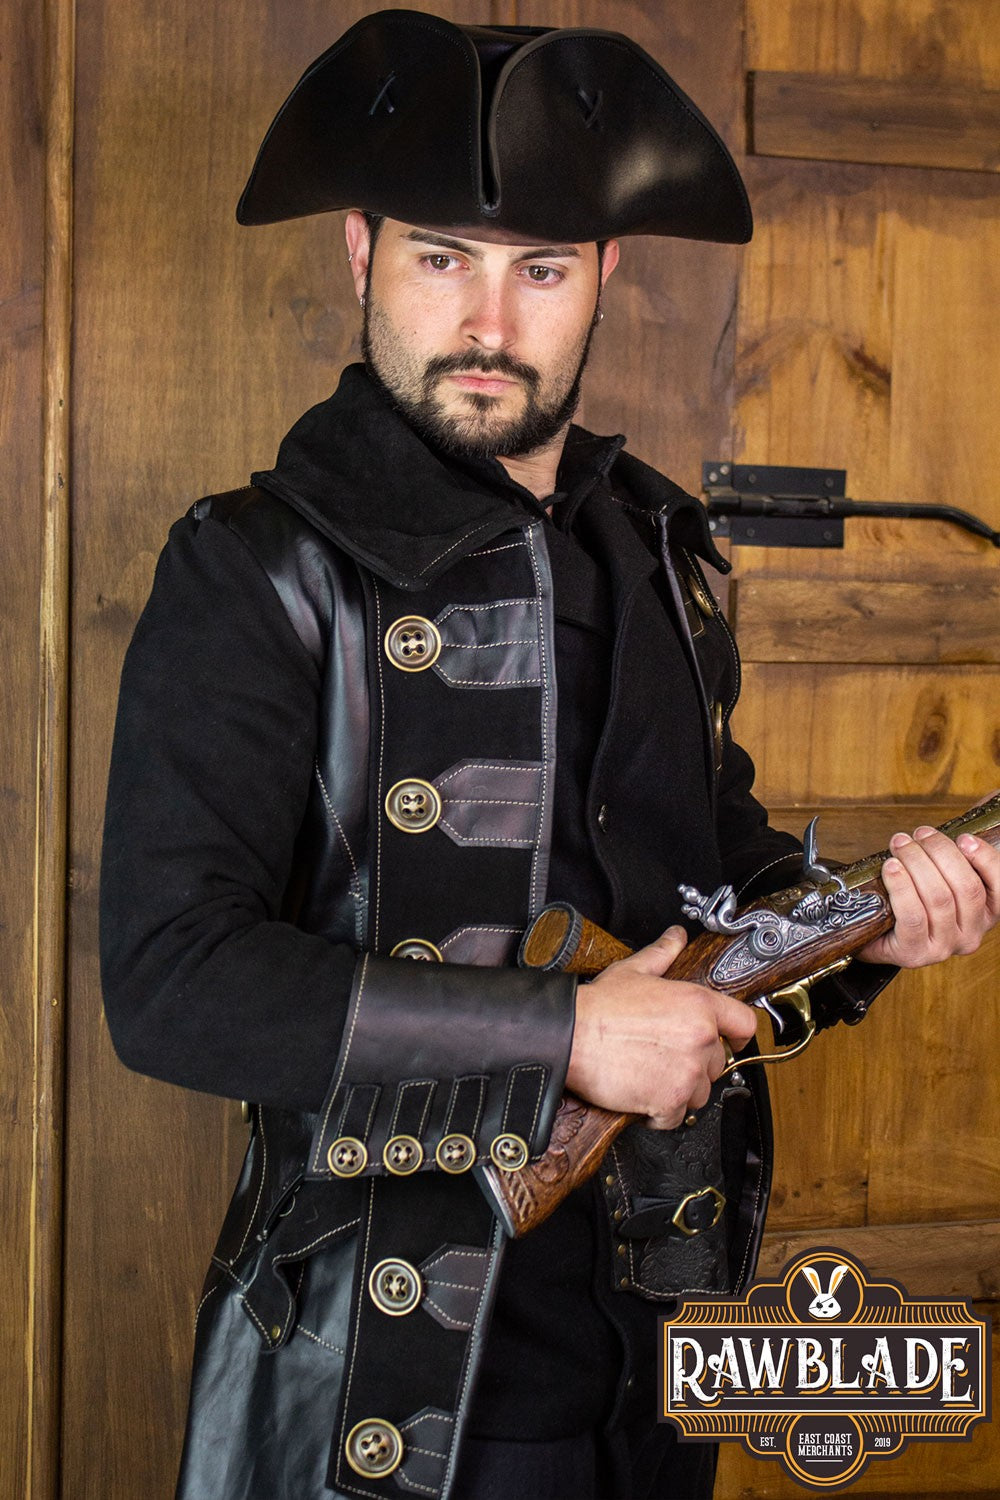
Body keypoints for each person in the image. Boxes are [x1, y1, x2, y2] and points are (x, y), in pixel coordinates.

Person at [100, 13, 999, 1500]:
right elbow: (171, 982)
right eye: (442, 259)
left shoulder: (655, 554)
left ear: (605, 275)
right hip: (383, 1383)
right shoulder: (253, 570)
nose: (488, 325)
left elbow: (716, 893)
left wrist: (877, 928)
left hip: (653, 1351)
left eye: (540, 271)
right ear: (361, 252)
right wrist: (564, 1037)